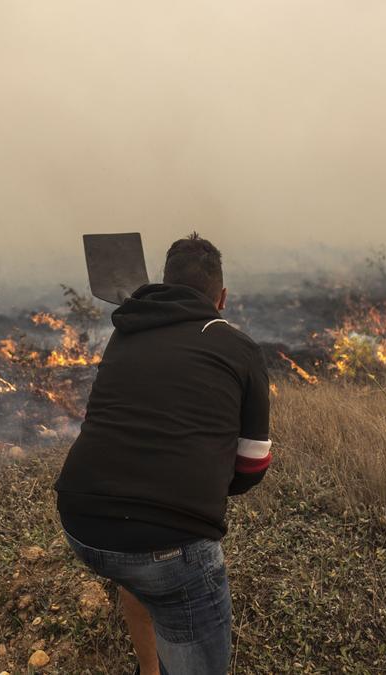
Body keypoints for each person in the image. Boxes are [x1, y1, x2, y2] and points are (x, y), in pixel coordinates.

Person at [55, 233, 272, 675]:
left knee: (140, 570)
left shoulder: (127, 332)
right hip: (169, 544)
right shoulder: (240, 348)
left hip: (82, 522)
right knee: (156, 560)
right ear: (222, 298)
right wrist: (204, 484)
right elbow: (251, 464)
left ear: (164, 283)